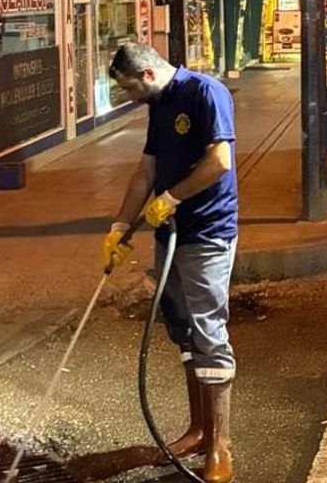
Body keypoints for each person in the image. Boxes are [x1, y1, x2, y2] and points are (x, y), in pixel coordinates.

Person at [97, 42, 238, 482]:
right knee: (183, 332)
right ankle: (198, 430)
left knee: (209, 333)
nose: (129, 97)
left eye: (130, 89)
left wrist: (174, 197)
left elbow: (219, 161)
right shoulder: (158, 107)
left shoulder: (205, 93)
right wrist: (120, 226)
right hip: (170, 237)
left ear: (149, 75)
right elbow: (145, 172)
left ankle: (220, 446)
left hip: (207, 234)